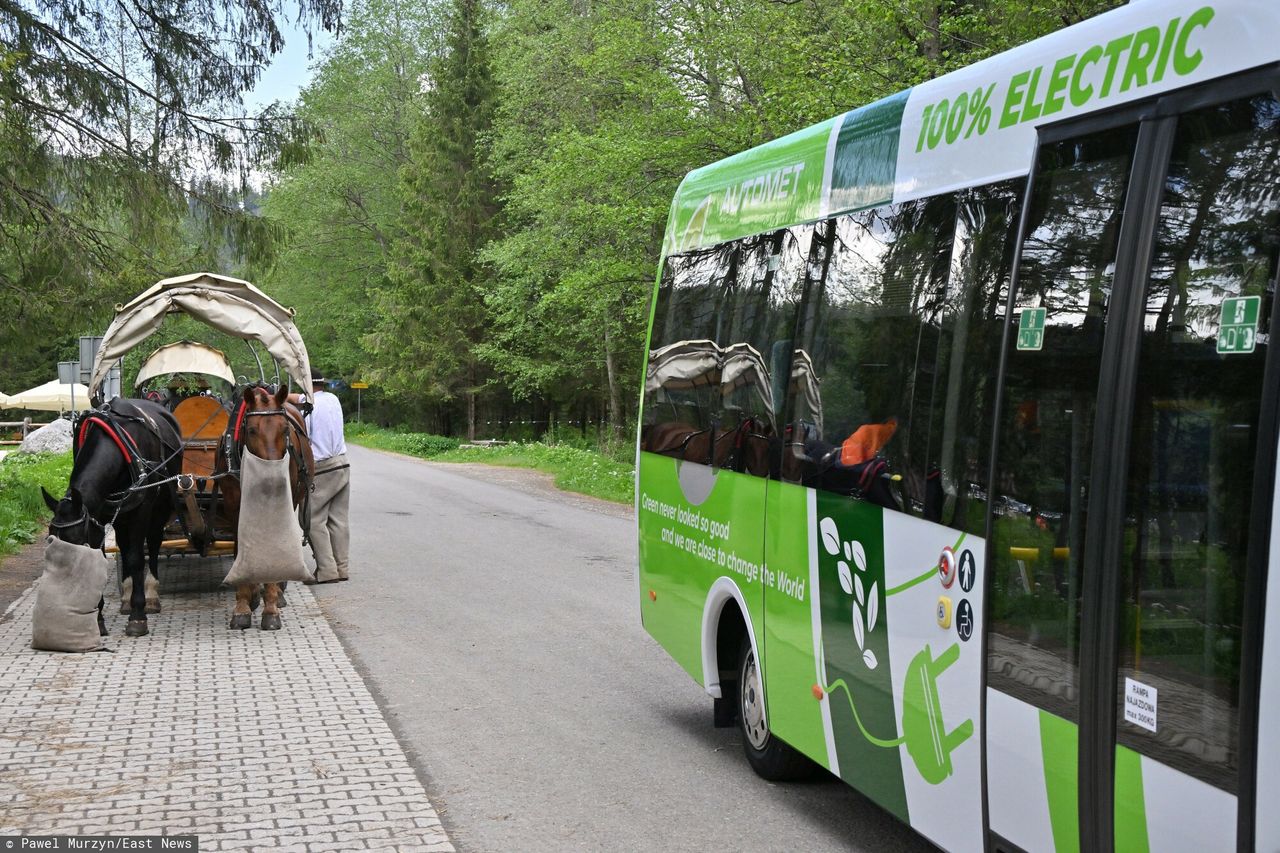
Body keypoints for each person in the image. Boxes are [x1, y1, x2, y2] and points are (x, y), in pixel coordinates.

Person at [295, 368, 350, 583]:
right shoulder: (333, 399)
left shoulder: (307, 409)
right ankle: (342, 568)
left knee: (311, 519)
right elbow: (301, 398)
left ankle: (327, 571)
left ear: (306, 385)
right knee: (338, 520)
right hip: (342, 464)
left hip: (323, 468)